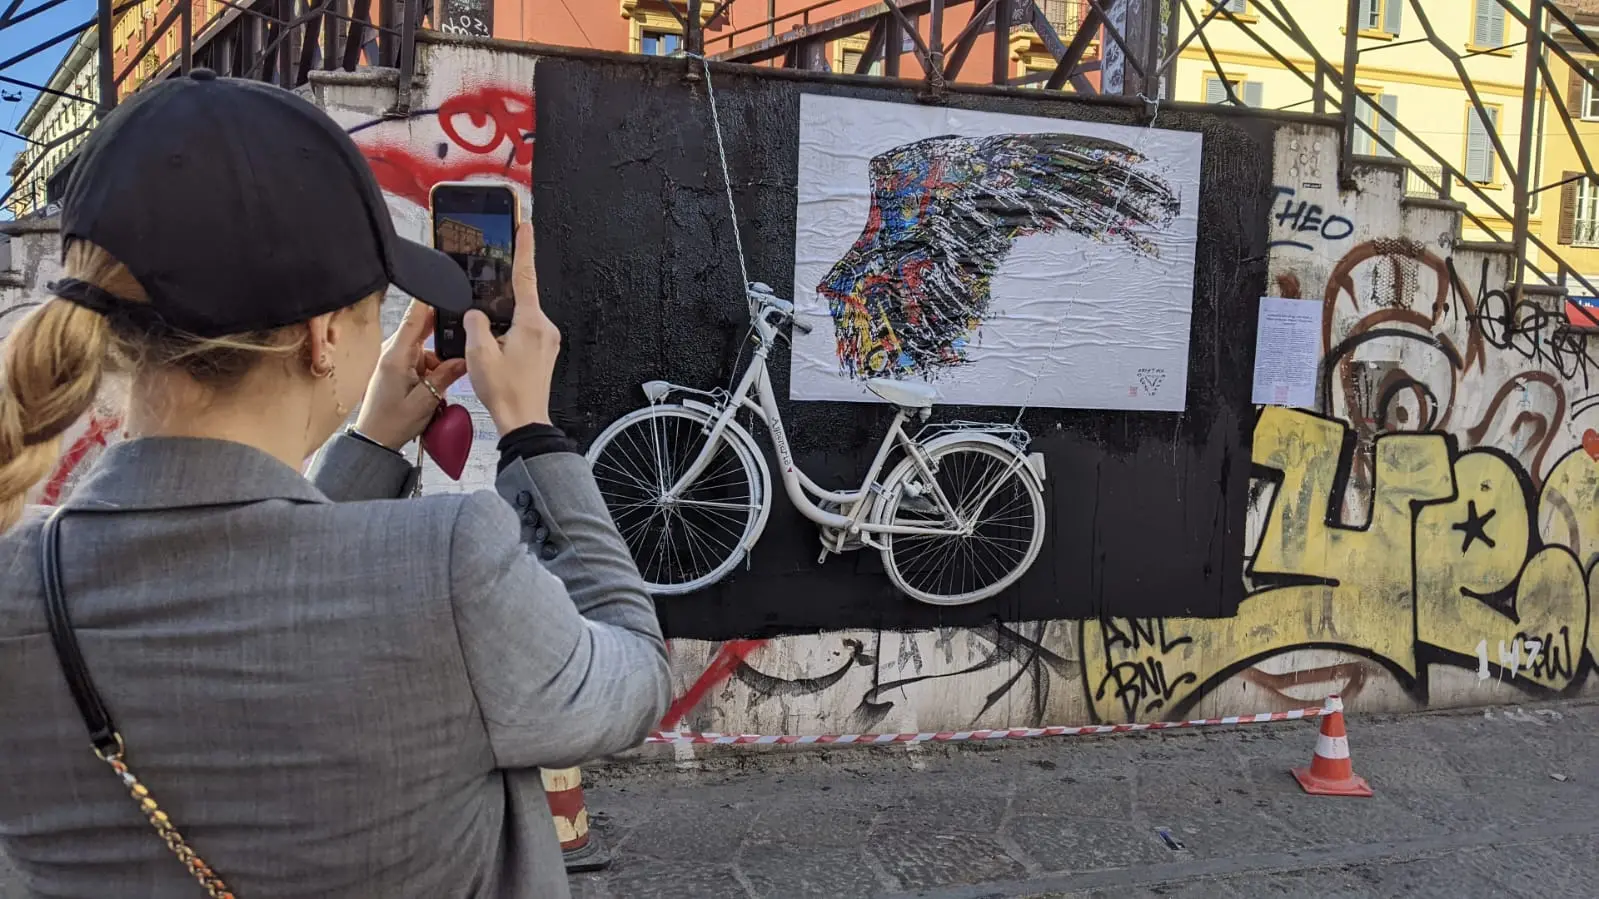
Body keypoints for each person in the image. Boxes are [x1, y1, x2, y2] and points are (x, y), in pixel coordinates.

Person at [0, 70, 668, 898]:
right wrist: (531, 431)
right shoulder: (449, 567)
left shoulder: (18, 584)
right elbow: (636, 672)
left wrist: (371, 441)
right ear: (323, 336)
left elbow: (262, 587)